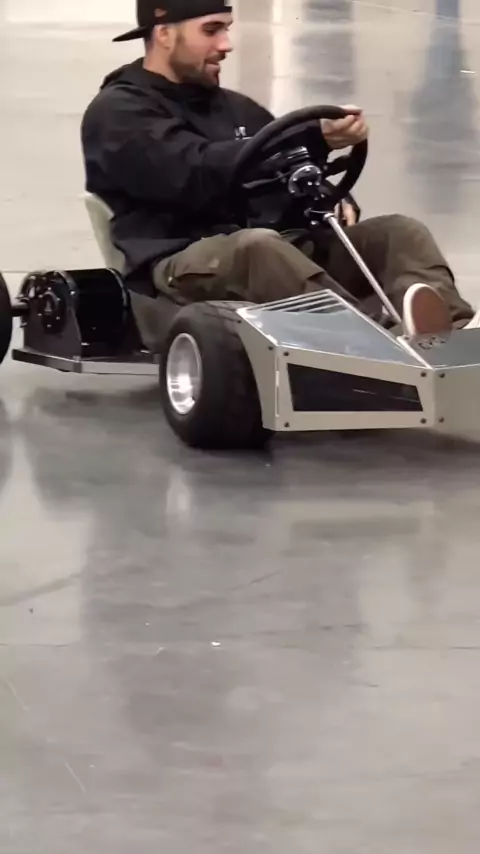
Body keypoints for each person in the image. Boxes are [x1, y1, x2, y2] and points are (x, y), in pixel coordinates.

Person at [81, 0, 479, 350]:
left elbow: (282, 167)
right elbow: (196, 172)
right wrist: (312, 136)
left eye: (227, 29)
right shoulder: (120, 113)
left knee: (399, 233)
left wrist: (329, 193)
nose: (226, 44)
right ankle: (378, 347)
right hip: (179, 260)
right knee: (257, 247)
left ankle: (450, 340)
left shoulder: (236, 108)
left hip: (273, 247)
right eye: (211, 30)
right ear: (164, 34)